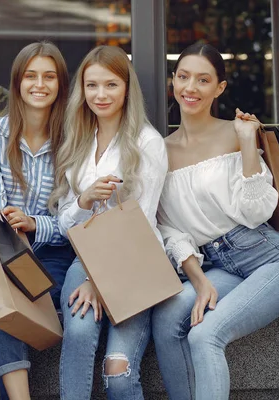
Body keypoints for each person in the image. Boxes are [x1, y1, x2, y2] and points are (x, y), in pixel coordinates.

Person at [152, 42, 279, 400]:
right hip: (217, 263)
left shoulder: (234, 133)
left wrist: (247, 143)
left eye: (203, 80)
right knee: (165, 320)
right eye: (183, 77)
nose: (191, 88)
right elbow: (169, 229)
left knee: (205, 334)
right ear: (173, 81)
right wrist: (199, 281)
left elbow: (257, 213)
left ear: (219, 88)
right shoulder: (159, 150)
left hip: (272, 258)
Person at [49, 45, 168, 400]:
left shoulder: (148, 143)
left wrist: (98, 283)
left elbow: (142, 225)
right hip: (85, 259)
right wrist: (84, 199)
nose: (100, 95)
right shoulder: (78, 142)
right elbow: (64, 225)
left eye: (111, 85)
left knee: (118, 373)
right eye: (92, 85)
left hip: (137, 265)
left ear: (127, 88)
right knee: (81, 334)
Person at [0, 41, 75, 400]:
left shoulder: (73, 140)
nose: (39, 84)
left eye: (49, 76)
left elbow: (72, 220)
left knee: (34, 293)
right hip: (4, 253)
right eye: (31, 75)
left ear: (61, 84)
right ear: (17, 82)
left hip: (54, 255)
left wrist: (34, 223)